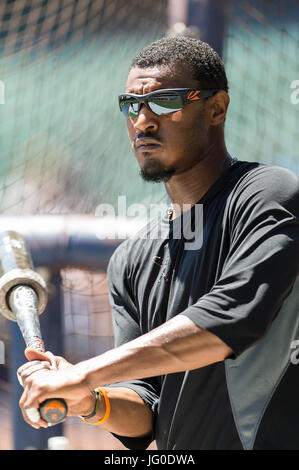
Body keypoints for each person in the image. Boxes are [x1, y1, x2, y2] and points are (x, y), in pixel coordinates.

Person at [18, 36, 299, 450]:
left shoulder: (267, 193)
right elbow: (145, 412)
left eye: (166, 102)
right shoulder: (131, 259)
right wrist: (90, 400)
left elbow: (233, 319)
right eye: (132, 105)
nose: (143, 121)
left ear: (217, 107)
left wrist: (84, 372)